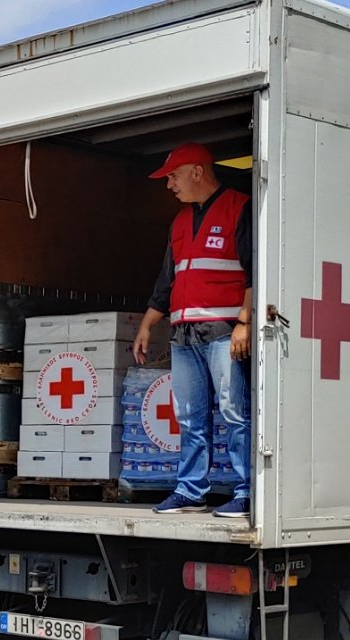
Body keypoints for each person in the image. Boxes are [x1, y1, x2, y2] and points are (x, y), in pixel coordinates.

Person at [133, 142, 253, 519]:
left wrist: (245, 323)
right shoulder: (180, 222)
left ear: (197, 171)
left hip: (222, 332)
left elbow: (255, 270)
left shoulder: (240, 207)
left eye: (173, 175)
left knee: (235, 413)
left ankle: (248, 492)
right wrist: (147, 325)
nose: (169, 185)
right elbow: (167, 280)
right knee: (189, 418)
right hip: (184, 335)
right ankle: (190, 491)